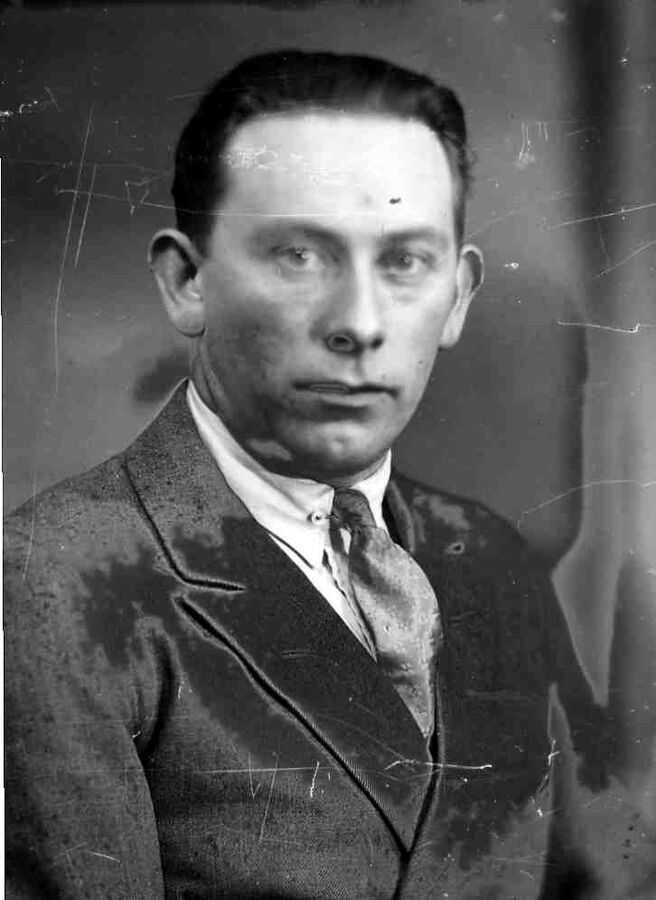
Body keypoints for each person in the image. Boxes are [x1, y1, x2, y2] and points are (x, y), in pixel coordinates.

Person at [4, 50, 620, 898]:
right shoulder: (51, 581)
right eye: (298, 255)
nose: (359, 323)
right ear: (187, 281)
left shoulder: (488, 554)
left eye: (405, 261)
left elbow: (611, 875)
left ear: (459, 295)